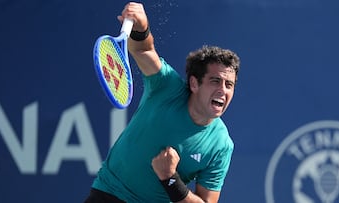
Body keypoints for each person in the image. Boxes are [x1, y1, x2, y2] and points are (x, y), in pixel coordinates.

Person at [85, 2, 240, 203]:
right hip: (109, 194)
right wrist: (141, 29)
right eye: (215, 81)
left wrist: (170, 179)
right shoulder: (167, 86)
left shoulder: (221, 144)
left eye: (230, 84)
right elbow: (143, 50)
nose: (223, 90)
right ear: (194, 83)